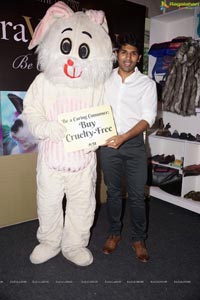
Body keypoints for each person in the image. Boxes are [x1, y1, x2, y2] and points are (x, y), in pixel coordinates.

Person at [99, 33, 157, 262]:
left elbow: (148, 118)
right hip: (108, 144)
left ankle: (138, 239)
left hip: (133, 145)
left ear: (138, 57)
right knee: (113, 193)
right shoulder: (104, 80)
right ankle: (114, 233)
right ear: (117, 54)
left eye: (133, 53)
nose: (128, 57)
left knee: (136, 195)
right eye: (124, 52)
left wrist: (124, 137)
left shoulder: (147, 84)